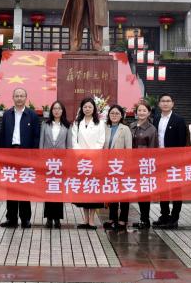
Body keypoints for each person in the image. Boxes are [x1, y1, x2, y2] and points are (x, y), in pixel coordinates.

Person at [0, 87, 41, 228]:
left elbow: (36, 137)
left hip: (26, 154)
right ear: (13, 97)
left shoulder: (32, 115)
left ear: (26, 98)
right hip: (10, 152)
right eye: (16, 96)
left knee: (24, 186)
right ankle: (11, 218)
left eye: (21, 96)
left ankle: (25, 218)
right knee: (10, 186)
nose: (19, 98)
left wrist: (34, 155)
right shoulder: (7, 114)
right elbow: (2, 134)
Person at [153, 93, 188, 229]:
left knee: (175, 190)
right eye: (163, 101)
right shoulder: (156, 119)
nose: (165, 103)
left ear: (172, 104)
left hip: (174, 161)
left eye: (168, 101)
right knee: (163, 190)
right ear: (159, 104)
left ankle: (174, 218)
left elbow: (182, 142)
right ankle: (164, 215)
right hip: (159, 160)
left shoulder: (179, 120)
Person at [71, 97, 106, 228]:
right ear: (81, 108)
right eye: (85, 107)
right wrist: (82, 154)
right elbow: (74, 141)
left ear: (94, 108)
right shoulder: (77, 122)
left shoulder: (100, 123)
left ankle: (92, 219)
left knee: (93, 189)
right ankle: (85, 219)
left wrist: (90, 154)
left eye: (90, 107)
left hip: (95, 160)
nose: (87, 109)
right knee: (83, 190)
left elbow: (101, 141)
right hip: (81, 161)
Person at [40, 101, 71, 229]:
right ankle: (48, 218)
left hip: (61, 163)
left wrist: (68, 162)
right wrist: (41, 160)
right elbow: (41, 143)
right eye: (54, 108)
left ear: (62, 111)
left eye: (59, 108)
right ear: (51, 111)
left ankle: (57, 218)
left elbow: (69, 146)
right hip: (48, 163)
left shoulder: (67, 126)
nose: (57, 111)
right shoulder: (45, 124)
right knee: (48, 190)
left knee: (58, 190)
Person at [102, 105, 133, 231]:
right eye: (112, 113)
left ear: (121, 116)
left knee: (124, 193)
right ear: (108, 115)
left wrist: (127, 165)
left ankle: (123, 219)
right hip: (108, 165)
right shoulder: (105, 128)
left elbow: (129, 148)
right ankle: (112, 218)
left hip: (121, 165)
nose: (114, 115)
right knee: (112, 192)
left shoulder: (125, 129)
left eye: (117, 113)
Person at [130, 101, 159, 229]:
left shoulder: (152, 129)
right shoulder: (131, 126)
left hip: (144, 165)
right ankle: (142, 219)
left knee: (144, 193)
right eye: (139, 110)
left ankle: (145, 220)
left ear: (149, 113)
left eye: (144, 110)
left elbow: (153, 149)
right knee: (137, 192)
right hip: (131, 164)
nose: (141, 113)